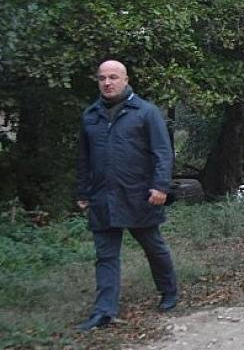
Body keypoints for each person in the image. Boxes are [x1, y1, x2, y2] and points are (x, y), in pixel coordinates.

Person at [75, 60, 178, 331]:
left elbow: (163, 153)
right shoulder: (91, 115)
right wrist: (83, 191)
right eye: (102, 78)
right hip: (102, 198)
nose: (107, 83)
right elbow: (84, 158)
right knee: (105, 256)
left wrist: (160, 186)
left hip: (138, 195)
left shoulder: (146, 112)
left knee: (153, 247)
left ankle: (169, 290)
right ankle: (104, 311)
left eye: (113, 77)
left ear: (125, 80)